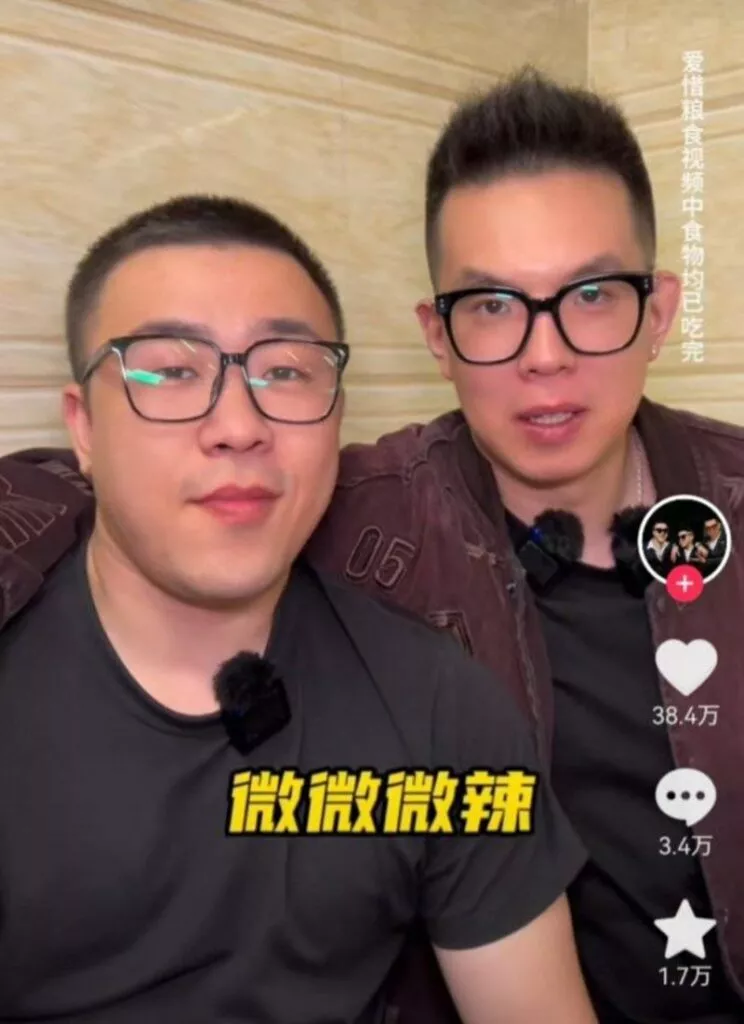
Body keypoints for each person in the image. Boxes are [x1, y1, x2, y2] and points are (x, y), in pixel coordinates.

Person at [2, 66, 744, 1022]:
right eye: (491, 305)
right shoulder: (356, 509)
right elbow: (152, 495)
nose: (545, 353)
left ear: (661, 312)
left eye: (593, 294)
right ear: (437, 334)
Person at [0, 196, 594, 1023]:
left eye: (284, 371)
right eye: (171, 372)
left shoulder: (438, 710)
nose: (238, 426)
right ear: (85, 427)